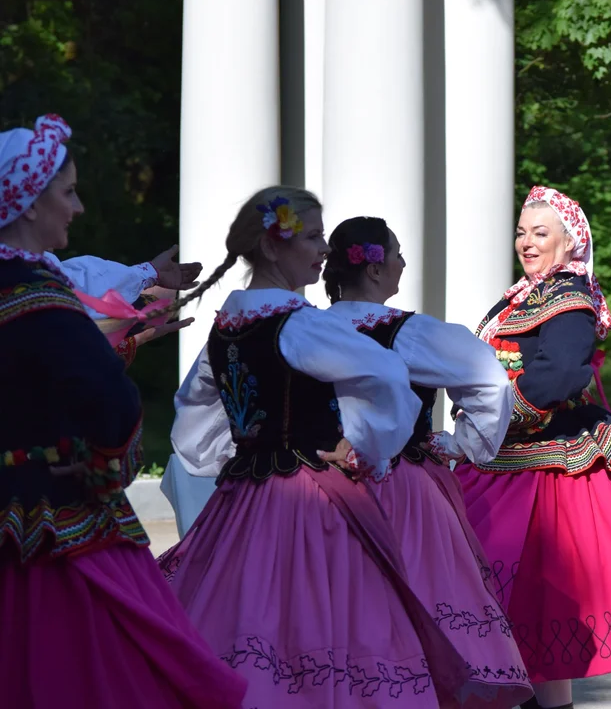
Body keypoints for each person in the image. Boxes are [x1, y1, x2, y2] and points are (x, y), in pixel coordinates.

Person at [155, 186, 471, 707]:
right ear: (274, 247)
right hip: (311, 503)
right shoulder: (300, 325)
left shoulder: (227, 328)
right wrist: (366, 448)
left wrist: (231, 457)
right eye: (315, 237)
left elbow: (192, 416)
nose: (324, 250)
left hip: (242, 504)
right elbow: (387, 374)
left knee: (250, 626)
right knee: (326, 632)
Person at [0, 113, 246, 708]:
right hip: (54, 525)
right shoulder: (37, 296)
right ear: (29, 204)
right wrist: (104, 465)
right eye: (68, 192)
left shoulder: (23, 288)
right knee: (103, 668)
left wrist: (128, 330)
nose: (78, 207)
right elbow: (110, 404)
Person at [454, 186, 611, 709]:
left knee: (527, 606)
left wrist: (497, 418)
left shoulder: (567, 298)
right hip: (506, 463)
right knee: (521, 618)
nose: (526, 242)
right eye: (522, 232)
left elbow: (561, 375)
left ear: (570, 243)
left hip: (542, 470)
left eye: (540, 233)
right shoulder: (523, 296)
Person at [322, 216, 532, 708]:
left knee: (338, 610)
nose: (402, 262)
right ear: (373, 270)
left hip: (320, 487)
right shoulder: (409, 333)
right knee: (419, 608)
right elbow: (490, 380)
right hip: (400, 491)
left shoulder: (304, 328)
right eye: (395, 253)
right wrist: (464, 444)